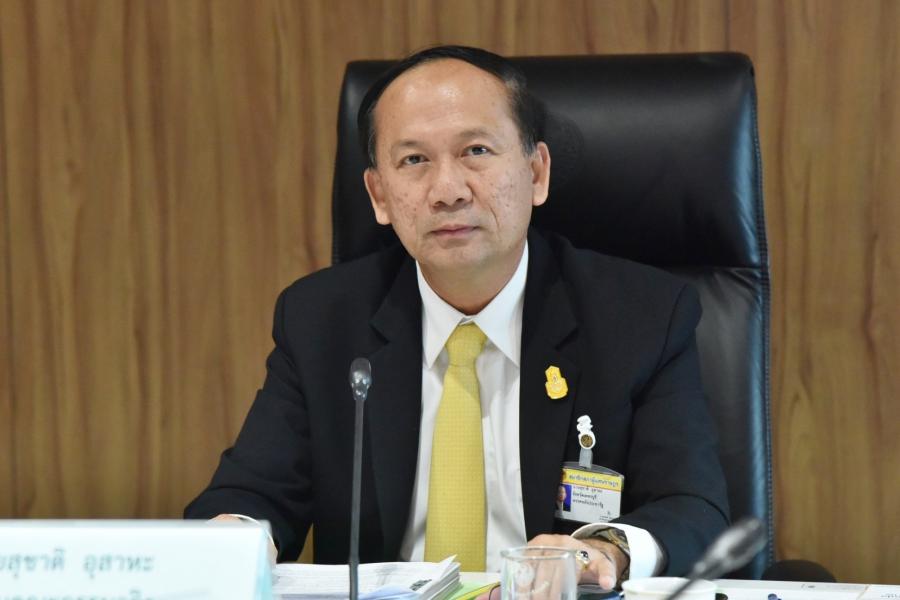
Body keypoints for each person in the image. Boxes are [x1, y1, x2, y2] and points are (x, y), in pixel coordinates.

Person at [185, 45, 729, 590]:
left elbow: (691, 506)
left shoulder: (640, 316)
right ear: (378, 194)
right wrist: (236, 537)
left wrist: (603, 551)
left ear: (537, 173)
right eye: (414, 160)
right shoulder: (321, 322)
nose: (447, 191)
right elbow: (252, 495)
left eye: (476, 151)